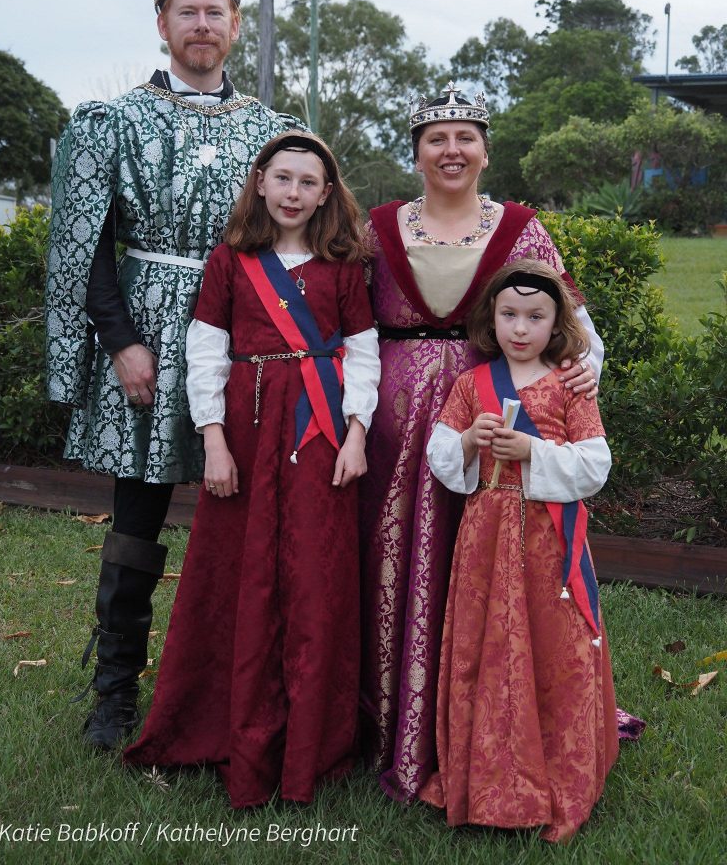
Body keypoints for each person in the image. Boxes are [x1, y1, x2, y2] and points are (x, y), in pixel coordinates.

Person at [45, 0, 304, 751]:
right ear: (162, 25)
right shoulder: (111, 121)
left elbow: (299, 240)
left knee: (255, 515)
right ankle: (114, 693)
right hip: (148, 335)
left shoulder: (272, 133)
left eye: (215, 13)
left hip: (247, 338)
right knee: (137, 517)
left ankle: (247, 686)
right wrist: (121, 341)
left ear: (235, 27)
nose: (201, 26)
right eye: (186, 13)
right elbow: (84, 245)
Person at [359, 82, 603, 802]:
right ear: (416, 154)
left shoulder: (520, 227)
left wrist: (583, 367)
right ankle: (382, 722)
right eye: (436, 139)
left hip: (491, 415)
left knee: (482, 563)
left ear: (486, 150)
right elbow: (342, 317)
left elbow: (563, 313)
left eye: (466, 137)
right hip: (391, 424)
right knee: (389, 554)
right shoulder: (376, 227)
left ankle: (473, 726)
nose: (452, 150)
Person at [123, 133, 380, 806]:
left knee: (313, 574)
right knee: (242, 569)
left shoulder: (343, 266)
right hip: (245, 427)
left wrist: (356, 435)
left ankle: (311, 742)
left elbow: (365, 354)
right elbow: (205, 352)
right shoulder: (231, 261)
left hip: (321, 433)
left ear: (327, 194)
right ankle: (229, 727)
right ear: (261, 182)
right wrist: (213, 441)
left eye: (308, 183)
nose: (294, 193)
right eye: (283, 179)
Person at [419, 259, 617, 842]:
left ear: (557, 323)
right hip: (484, 536)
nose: (521, 328)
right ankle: (484, 775)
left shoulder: (569, 383)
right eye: (509, 314)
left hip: (549, 541)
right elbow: (440, 458)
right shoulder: (470, 386)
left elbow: (596, 462)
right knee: (489, 647)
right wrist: (466, 441)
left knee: (554, 646)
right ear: (491, 317)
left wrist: (533, 452)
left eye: (536, 316)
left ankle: (557, 769)